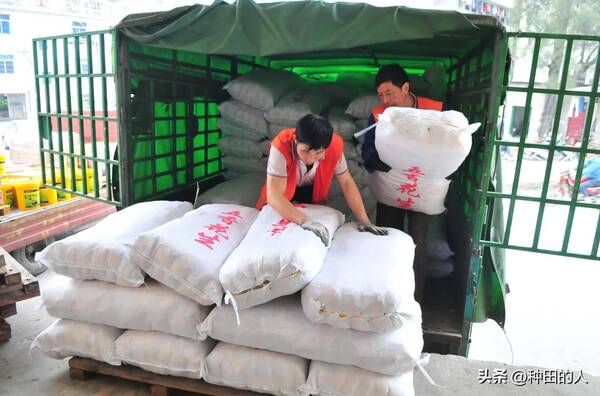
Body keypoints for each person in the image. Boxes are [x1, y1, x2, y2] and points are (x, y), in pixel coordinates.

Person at [361, 64, 443, 303]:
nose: (385, 100)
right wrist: (373, 160)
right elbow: (367, 149)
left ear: (406, 87)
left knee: (418, 240)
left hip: (423, 188)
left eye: (389, 93)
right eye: (381, 95)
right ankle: (386, 293)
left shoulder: (435, 110)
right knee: (387, 237)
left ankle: (415, 299)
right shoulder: (378, 115)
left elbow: (449, 144)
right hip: (391, 188)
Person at [256, 114, 387, 245]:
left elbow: (346, 182)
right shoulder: (281, 146)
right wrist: (304, 220)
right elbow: (274, 195)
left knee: (307, 242)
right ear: (296, 139)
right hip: (282, 199)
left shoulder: (334, 147)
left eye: (318, 153)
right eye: (305, 151)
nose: (310, 158)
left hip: (312, 196)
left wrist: (364, 220)